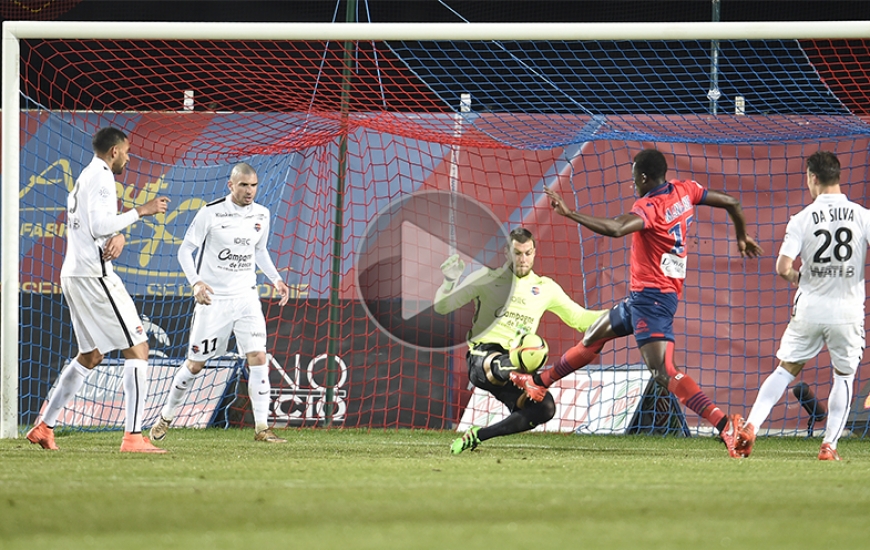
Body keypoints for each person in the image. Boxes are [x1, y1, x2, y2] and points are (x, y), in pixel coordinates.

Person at [511, 148, 763, 458]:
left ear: (643, 177)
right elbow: (733, 202)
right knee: (593, 338)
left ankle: (726, 425)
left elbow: (617, 228)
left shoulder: (650, 207)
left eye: (633, 176)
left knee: (664, 372)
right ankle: (539, 382)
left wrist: (570, 213)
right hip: (643, 298)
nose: (632, 183)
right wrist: (742, 235)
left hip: (653, 302)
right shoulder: (686, 190)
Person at [26, 127, 170, 453]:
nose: (129, 158)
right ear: (114, 152)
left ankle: (44, 426)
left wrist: (115, 236)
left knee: (91, 355)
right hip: (95, 277)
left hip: (74, 273)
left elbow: (96, 229)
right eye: (128, 152)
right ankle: (133, 437)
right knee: (138, 349)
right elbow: (100, 226)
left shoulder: (84, 177)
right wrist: (141, 211)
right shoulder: (103, 177)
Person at [736, 151, 870, 460]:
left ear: (812, 177)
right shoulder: (862, 215)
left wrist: (801, 279)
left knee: (785, 371)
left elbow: (783, 267)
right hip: (847, 311)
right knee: (844, 377)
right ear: (837, 176)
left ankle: (751, 427)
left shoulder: (802, 218)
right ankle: (829, 447)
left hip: (809, 307)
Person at [149, 162, 290, 443]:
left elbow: (259, 250)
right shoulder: (210, 212)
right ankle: (166, 416)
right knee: (195, 364)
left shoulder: (262, 214)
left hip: (246, 297)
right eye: (243, 185)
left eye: (253, 186)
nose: (249, 191)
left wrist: (276, 279)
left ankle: (262, 428)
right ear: (231, 185)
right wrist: (196, 283)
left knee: (258, 356)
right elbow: (185, 251)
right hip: (214, 300)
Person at [435, 227, 605, 454]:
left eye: (527, 253)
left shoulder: (545, 288)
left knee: (544, 409)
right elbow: (443, 306)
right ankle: (516, 374)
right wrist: (449, 281)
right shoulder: (486, 278)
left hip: (520, 364)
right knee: (501, 360)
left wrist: (619, 313)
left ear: (534, 253)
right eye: (517, 253)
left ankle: (479, 435)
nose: (523, 259)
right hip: (482, 359)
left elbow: (580, 319)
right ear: (507, 253)